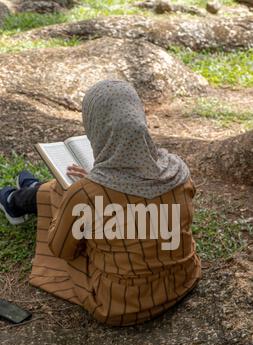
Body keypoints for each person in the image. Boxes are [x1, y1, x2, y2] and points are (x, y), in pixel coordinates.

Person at [0, 79, 201, 326]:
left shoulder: (86, 195)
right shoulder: (178, 172)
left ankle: (17, 199)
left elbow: (62, 250)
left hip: (119, 304)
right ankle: (22, 195)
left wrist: (76, 196)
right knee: (70, 194)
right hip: (181, 281)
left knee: (61, 192)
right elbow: (145, 210)